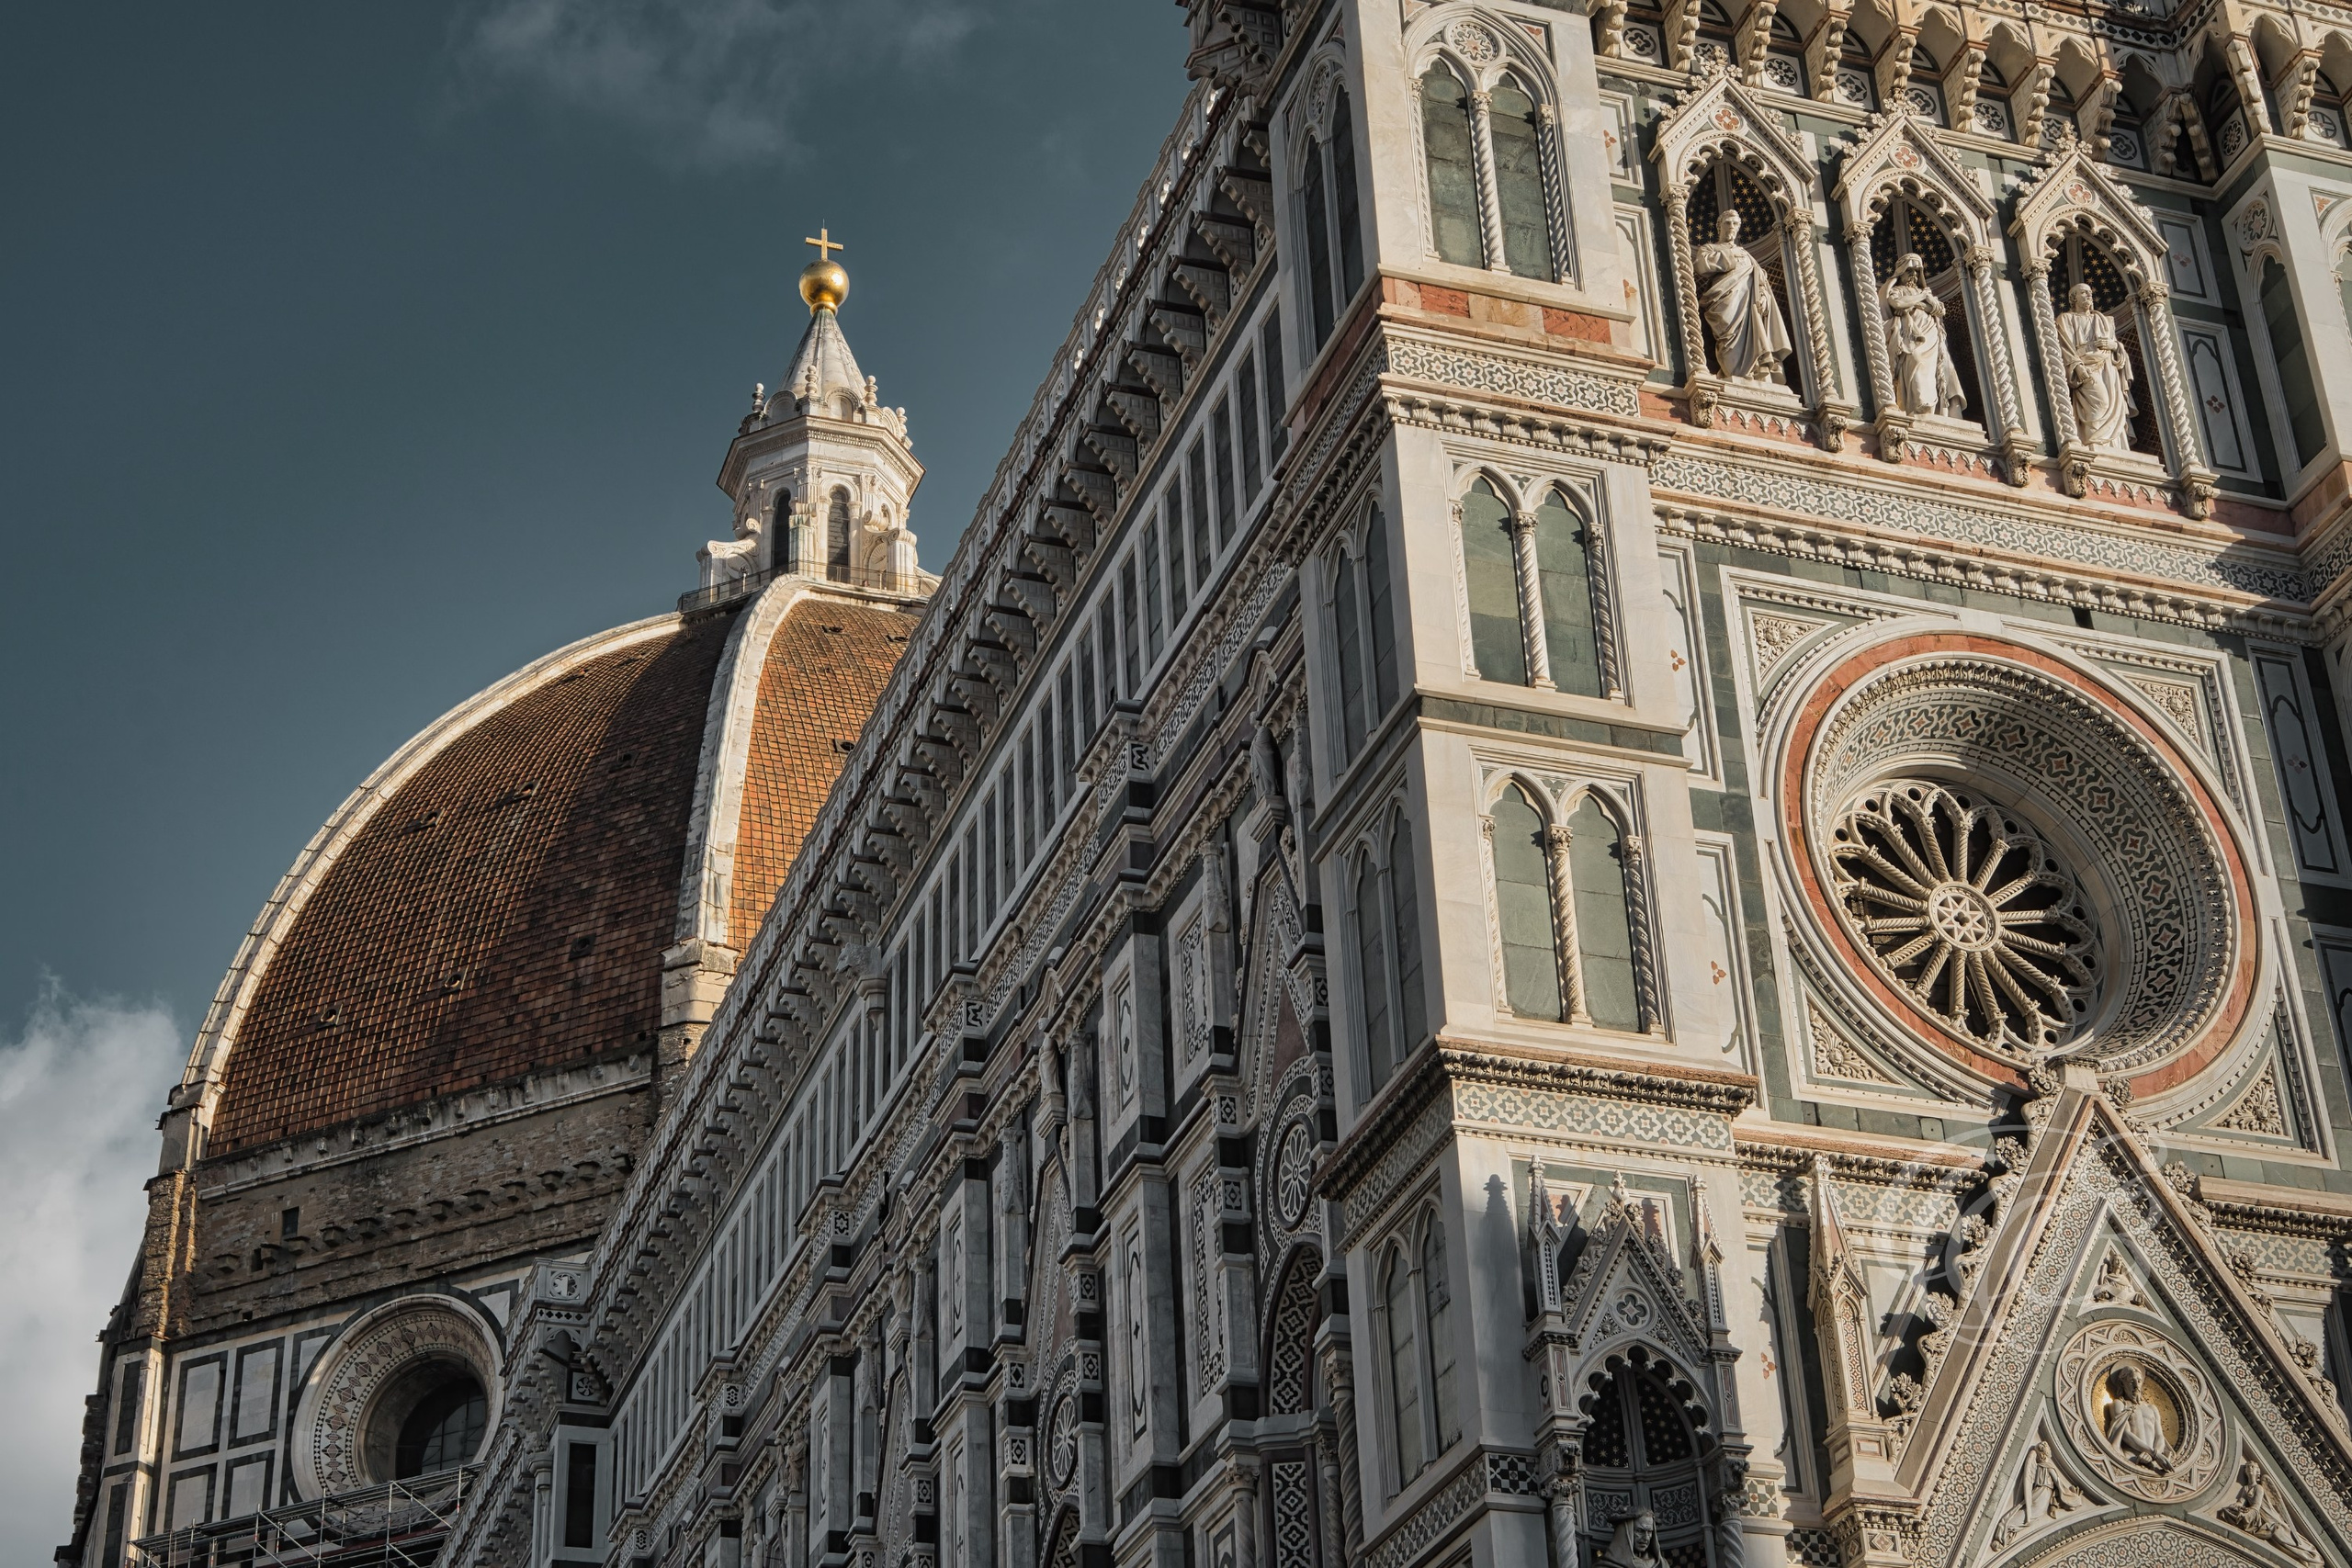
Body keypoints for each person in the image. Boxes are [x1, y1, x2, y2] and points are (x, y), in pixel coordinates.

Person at [1694, 209, 1793, 381]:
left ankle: (1756, 370)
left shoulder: (1747, 255)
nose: (1731, 226)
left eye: (1735, 223)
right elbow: (1701, 266)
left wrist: (1763, 297)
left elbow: (1760, 281)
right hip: (1725, 302)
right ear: (1719, 226)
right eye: (1727, 223)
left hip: (1750, 305)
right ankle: (1733, 372)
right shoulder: (1710, 248)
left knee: (1756, 330)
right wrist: (1730, 255)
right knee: (1728, 339)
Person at [1882, 252, 1967, 418]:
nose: (1913, 275)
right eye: (1910, 270)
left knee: (1939, 369)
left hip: (1931, 334)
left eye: (1917, 271)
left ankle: (1931, 408)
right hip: (1911, 335)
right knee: (1916, 359)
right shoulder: (1898, 290)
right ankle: (1918, 404)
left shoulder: (1926, 292)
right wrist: (1921, 297)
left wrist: (1919, 303)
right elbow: (1897, 303)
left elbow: (1939, 309)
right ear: (1901, 272)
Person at [2056, 282, 2135, 450]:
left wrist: (2114, 346)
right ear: (2073, 298)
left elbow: (2118, 351)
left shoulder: (2103, 320)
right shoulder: (2066, 318)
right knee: (2101, 403)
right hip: (2085, 365)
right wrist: (2077, 366)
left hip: (2107, 366)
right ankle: (2094, 440)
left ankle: (2114, 446)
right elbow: (2065, 347)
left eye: (2090, 293)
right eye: (2083, 293)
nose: (2088, 296)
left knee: (2114, 404)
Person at [2101, 1363, 2172, 1472]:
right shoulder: (2119, 1404)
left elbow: (2159, 1436)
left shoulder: (2152, 1408)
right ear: (2122, 1384)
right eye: (2131, 1382)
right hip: (2132, 1457)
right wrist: (2154, 1454)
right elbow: (2125, 1433)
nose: (2136, 1386)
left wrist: (2155, 1455)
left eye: (2139, 1381)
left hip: (2154, 1460)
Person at [1597, 1507, 1663, 1568]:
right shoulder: (1606, 1566)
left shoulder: (1661, 1564)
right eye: (1640, 1531)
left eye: (1649, 1532)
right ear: (1624, 1533)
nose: (1646, 1538)